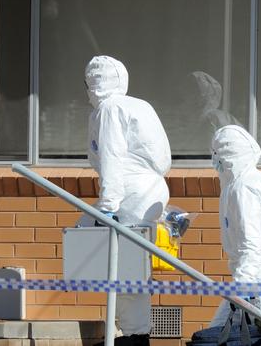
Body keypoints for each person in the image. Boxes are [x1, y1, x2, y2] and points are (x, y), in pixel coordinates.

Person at [80, 55, 171, 346]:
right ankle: (132, 334)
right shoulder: (137, 105)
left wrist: (107, 208)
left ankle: (132, 336)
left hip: (129, 194)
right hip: (147, 191)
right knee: (132, 270)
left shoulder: (109, 109)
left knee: (125, 269)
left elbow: (112, 159)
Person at [208, 125, 261, 327]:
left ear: (228, 156)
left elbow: (250, 240)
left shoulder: (245, 186)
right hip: (257, 278)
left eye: (216, 153)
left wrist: (243, 284)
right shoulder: (241, 184)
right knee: (218, 333)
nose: (213, 160)